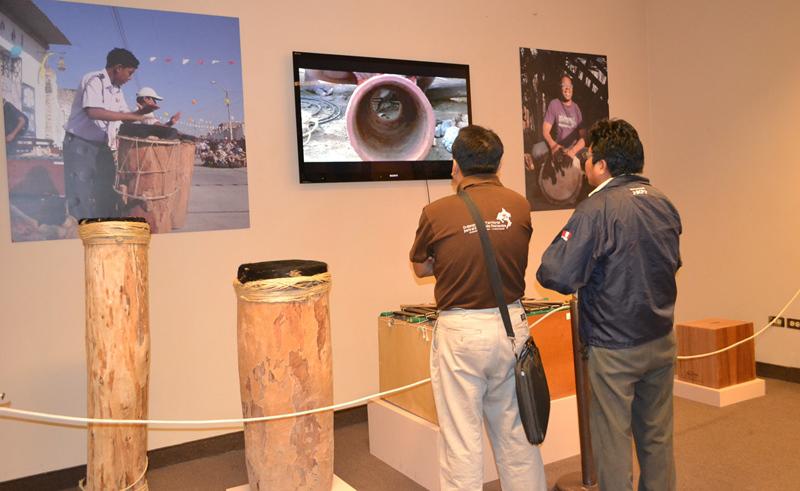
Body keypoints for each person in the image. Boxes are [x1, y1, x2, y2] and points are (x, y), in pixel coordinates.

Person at [537, 118, 682, 491]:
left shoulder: (595, 209)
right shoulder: (664, 203)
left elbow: (555, 272)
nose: (584, 163)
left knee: (613, 443)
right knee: (657, 438)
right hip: (661, 340)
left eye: (588, 157)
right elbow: (671, 263)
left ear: (601, 164)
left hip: (613, 348)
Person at [409, 125, 546, 491]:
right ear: (498, 164)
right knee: (518, 438)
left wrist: (448, 260)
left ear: (456, 165)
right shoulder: (520, 205)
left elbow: (421, 266)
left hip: (461, 334)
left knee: (462, 442)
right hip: (512, 327)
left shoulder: (436, 212)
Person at [62, 48, 152, 220]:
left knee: (106, 189)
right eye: (129, 72)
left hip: (100, 146)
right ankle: (81, 232)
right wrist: (131, 115)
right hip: (80, 144)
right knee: (81, 194)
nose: (130, 78)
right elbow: (94, 112)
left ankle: (103, 225)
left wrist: (141, 114)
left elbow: (126, 116)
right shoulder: (95, 80)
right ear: (118, 68)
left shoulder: (117, 90)